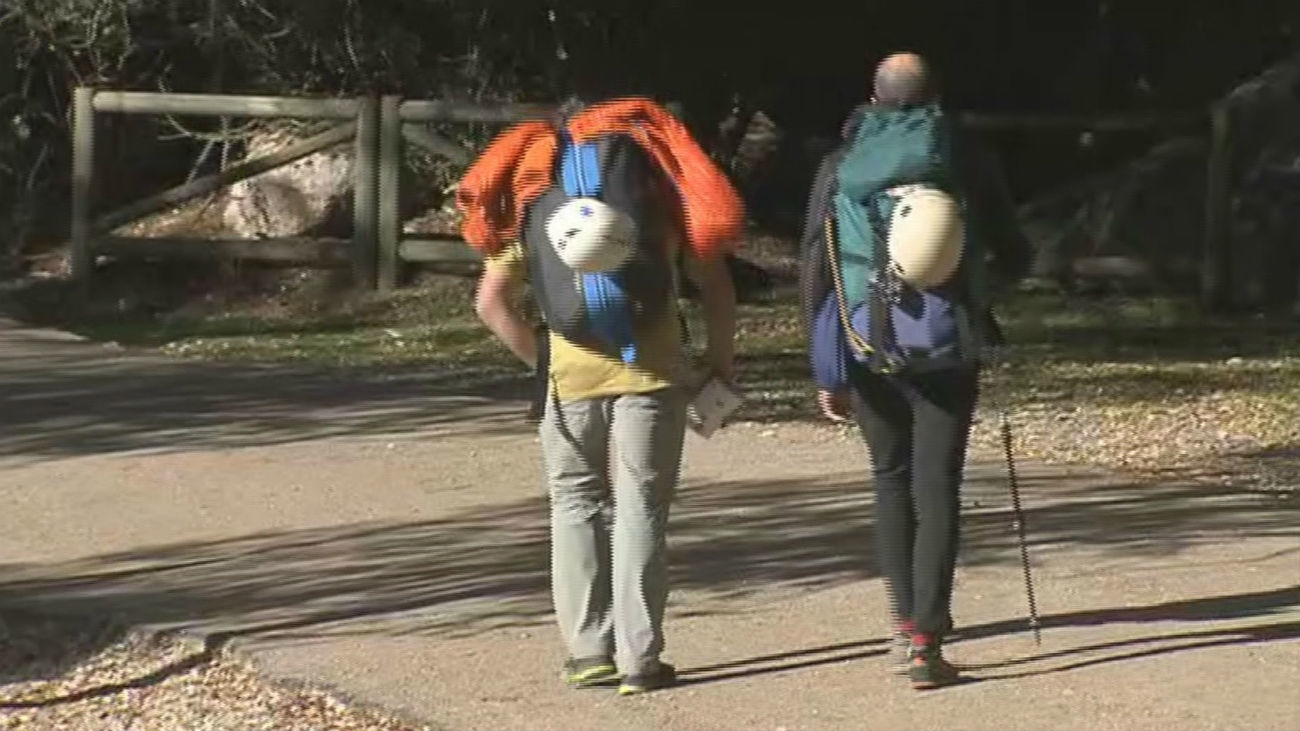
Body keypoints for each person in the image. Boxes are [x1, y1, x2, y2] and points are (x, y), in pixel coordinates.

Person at [460, 84, 743, 695]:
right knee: (641, 507)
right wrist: (718, 362)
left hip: (570, 379)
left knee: (574, 504)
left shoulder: (536, 198)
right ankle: (640, 659)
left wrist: (542, 361)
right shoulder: (655, 199)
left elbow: (491, 303)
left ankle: (589, 651)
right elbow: (716, 285)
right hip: (653, 373)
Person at [800, 52, 1030, 689]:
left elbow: (817, 269)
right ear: (936, 97)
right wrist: (976, 290)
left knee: (889, 477)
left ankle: (903, 624)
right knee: (938, 485)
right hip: (949, 345)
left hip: (867, 342)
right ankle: (929, 639)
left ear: (872, 97)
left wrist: (826, 367)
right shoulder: (965, 158)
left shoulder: (840, 164)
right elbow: (1017, 254)